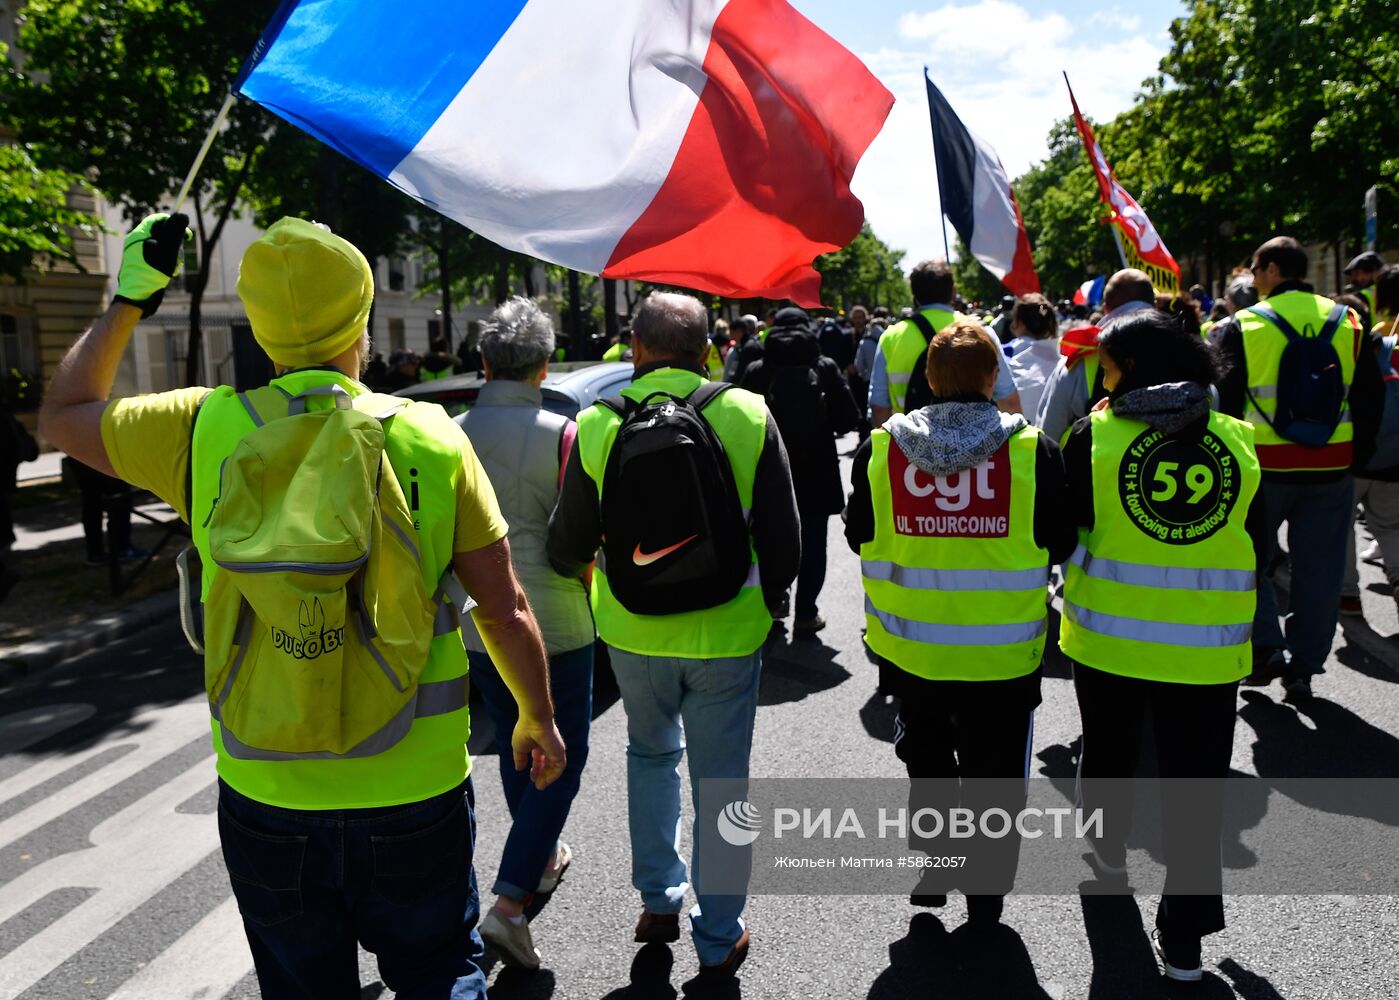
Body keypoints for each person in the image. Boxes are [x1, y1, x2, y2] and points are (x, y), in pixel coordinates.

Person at [38, 214, 567, 998]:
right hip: (411, 783)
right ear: (360, 317)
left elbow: (62, 415)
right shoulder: (427, 434)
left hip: (268, 788)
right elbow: (505, 608)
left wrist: (129, 299)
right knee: (437, 974)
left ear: (258, 324)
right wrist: (536, 717)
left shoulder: (203, 427)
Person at [548, 291, 799, 980]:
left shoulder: (598, 422)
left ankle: (658, 900)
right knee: (723, 784)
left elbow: (566, 543)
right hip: (727, 631)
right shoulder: (746, 411)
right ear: (708, 347)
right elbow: (784, 539)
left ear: (635, 347)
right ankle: (718, 934)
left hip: (632, 632)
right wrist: (770, 603)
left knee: (649, 755)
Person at [846, 318, 1075, 926]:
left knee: (926, 757)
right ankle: (986, 890)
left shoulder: (882, 447)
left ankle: (936, 862)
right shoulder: (1031, 449)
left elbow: (857, 533)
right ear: (993, 377)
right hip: (1003, 653)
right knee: (996, 770)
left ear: (927, 378)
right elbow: (1060, 541)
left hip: (912, 649)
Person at [1059, 308, 1265, 983]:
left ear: (1134, 368)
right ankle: (1183, 945)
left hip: (1107, 643)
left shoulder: (1091, 437)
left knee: (1109, 755)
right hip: (1205, 650)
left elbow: (1059, 539)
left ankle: (1106, 859)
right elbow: (1256, 542)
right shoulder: (1236, 439)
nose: (1098, 372)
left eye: (1107, 363)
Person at [456, 296, 594, 970]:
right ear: (545, 367)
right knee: (561, 755)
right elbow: (579, 538)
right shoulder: (564, 434)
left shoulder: (446, 433)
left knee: (518, 740)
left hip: (477, 625)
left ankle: (534, 861)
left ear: (483, 363)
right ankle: (510, 904)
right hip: (559, 621)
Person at [1213, 236, 1383, 699]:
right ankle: (1306, 663)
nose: (1251, 275)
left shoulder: (1243, 325)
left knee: (1252, 561)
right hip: (1332, 466)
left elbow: (1225, 405)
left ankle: (1265, 648)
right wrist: (1357, 455)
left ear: (1270, 269)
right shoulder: (1347, 320)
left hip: (1262, 469)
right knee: (1321, 570)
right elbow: (1370, 396)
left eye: (1253, 267)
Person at [740, 305, 860, 635]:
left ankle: (776, 604)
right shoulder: (824, 367)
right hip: (816, 473)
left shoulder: (757, 370)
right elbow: (849, 419)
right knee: (814, 544)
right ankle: (807, 612)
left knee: (765, 540)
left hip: (766, 473)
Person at [868, 260, 1022, 427]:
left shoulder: (891, 337)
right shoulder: (979, 332)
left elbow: (879, 406)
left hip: (912, 446)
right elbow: (1008, 401)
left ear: (914, 295)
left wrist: (888, 448)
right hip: (980, 447)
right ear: (953, 291)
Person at [1036, 269, 1156, 442]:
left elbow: (1049, 435)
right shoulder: (1182, 352)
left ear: (1106, 306)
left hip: (1092, 465)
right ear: (1154, 303)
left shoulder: (1080, 360)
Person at [1341, 265, 1399, 617]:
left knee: (1344, 523)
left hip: (1358, 454)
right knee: (1392, 526)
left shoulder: (1363, 342)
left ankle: (1348, 594)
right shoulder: (1390, 342)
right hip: (1394, 458)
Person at [1006, 294, 1061, 422]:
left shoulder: (1005, 354)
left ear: (1019, 323)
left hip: (1015, 437)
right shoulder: (1064, 358)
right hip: (1053, 438)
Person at [723, 313, 764, 383]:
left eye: (731, 332)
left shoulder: (748, 348)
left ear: (739, 331)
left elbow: (741, 374)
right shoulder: (752, 344)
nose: (730, 336)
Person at [1344, 250, 1385, 319]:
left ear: (1374, 270)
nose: (1357, 279)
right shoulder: (1390, 288)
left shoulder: (1363, 295)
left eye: (1357, 274)